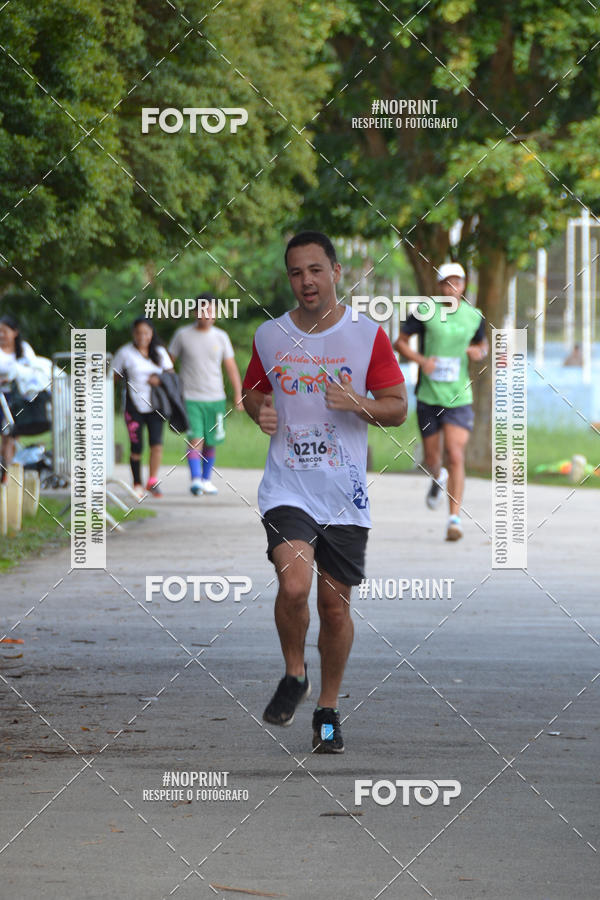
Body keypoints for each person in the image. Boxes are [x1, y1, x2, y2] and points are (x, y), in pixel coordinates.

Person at [243, 231, 407, 753]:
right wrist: (258, 410)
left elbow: (397, 407)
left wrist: (357, 402)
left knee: (334, 610)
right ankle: (295, 674)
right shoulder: (270, 336)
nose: (306, 281)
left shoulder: (366, 336)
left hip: (344, 493)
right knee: (293, 587)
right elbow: (252, 390)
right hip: (287, 485)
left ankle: (328, 708)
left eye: (315, 270)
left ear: (336, 272)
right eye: (296, 272)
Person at [393, 262, 487, 542]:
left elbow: (483, 344)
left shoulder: (474, 316)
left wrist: (477, 351)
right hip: (428, 396)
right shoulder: (426, 311)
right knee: (433, 458)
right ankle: (437, 477)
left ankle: (454, 519)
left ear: (463, 286)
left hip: (459, 397)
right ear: (439, 286)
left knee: (456, 455)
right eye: (446, 283)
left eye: (457, 283)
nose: (451, 288)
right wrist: (422, 361)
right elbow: (400, 342)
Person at [169, 295, 243, 496]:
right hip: (190, 397)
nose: (207, 315)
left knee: (212, 441)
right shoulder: (182, 335)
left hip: (216, 397)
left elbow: (231, 368)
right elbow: (168, 363)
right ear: (195, 313)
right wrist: (169, 390)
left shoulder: (221, 337)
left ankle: (206, 479)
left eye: (211, 311)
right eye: (203, 311)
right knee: (196, 438)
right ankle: (195, 480)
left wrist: (238, 394)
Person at [112, 317, 174, 498]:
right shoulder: (125, 353)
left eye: (146, 332)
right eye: (138, 332)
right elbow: (112, 377)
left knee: (156, 444)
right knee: (136, 446)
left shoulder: (160, 352)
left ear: (152, 333)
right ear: (133, 334)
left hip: (156, 405)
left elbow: (171, 376)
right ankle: (137, 482)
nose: (142, 336)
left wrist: (159, 379)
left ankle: (152, 481)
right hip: (133, 407)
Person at [0, 315, 36, 480]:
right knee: (6, 435)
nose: (1, 335)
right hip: (2, 396)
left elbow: (33, 370)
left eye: (4, 331)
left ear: (14, 332)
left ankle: (7, 476)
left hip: (17, 397)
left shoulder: (24, 349)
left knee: (10, 436)